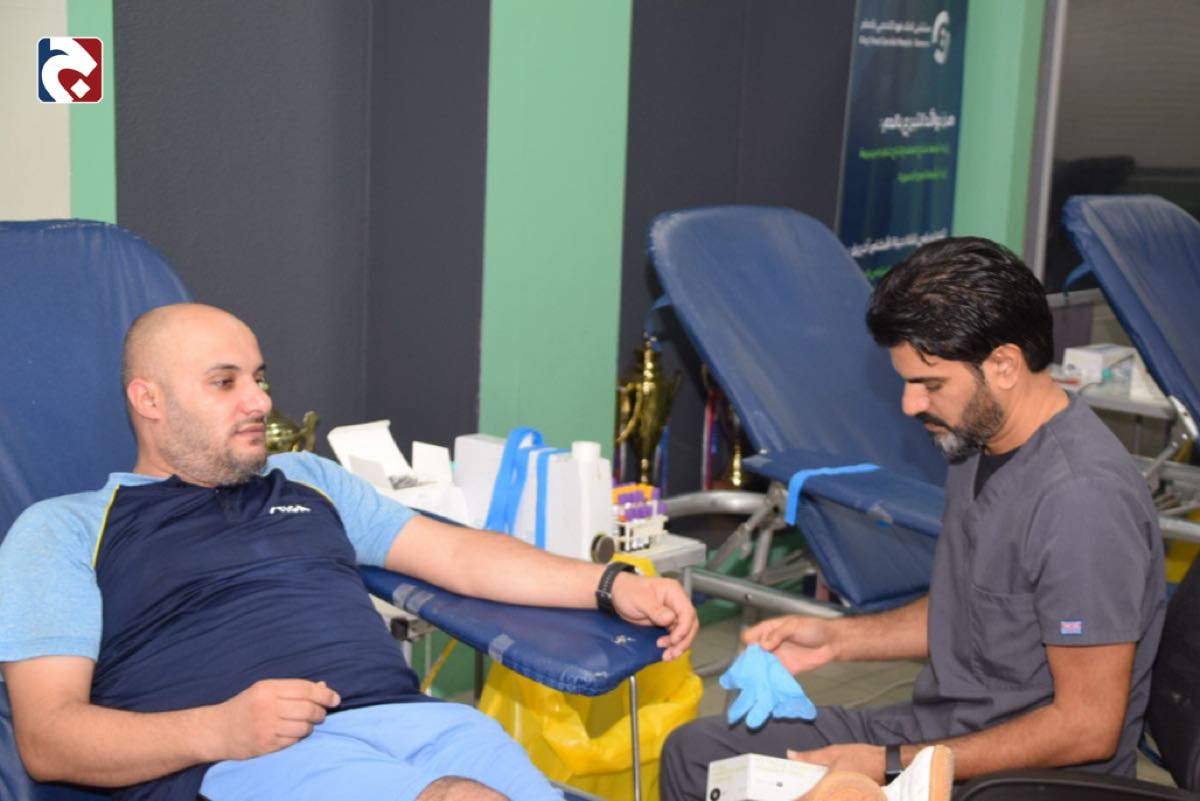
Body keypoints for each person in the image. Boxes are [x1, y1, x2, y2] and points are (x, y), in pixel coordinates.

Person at [0, 303, 698, 801]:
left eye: (259, 377)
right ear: (148, 399)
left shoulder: (309, 479)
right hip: (245, 761)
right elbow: (48, 738)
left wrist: (610, 584)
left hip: (427, 727)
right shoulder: (64, 528)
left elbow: (458, 555)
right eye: (225, 381)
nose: (259, 401)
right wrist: (218, 728)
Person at [660, 236, 1166, 800]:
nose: (910, 404)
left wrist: (887, 763)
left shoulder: (1082, 502)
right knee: (697, 754)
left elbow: (1088, 727)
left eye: (930, 384)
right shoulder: (977, 439)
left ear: (1003, 364)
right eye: (906, 382)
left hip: (1029, 780)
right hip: (943, 732)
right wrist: (836, 640)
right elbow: (977, 611)